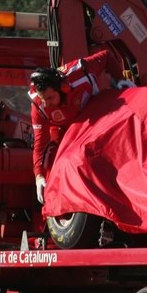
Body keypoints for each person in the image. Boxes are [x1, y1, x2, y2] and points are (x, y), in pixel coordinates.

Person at [30, 49, 126, 204]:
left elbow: (107, 56)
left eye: (50, 97)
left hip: (96, 117)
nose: (46, 103)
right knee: (59, 160)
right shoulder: (39, 106)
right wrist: (39, 176)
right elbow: (40, 144)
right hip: (65, 131)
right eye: (43, 99)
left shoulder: (81, 73)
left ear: (62, 88)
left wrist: (121, 81)